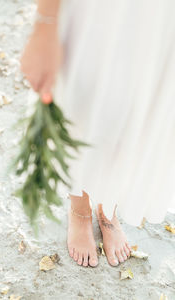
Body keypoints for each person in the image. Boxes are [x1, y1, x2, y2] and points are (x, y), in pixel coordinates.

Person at [21, 0, 175, 267]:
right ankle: (79, 208)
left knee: (136, 117)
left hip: (162, 23)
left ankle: (108, 206)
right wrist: (45, 23)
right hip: (97, 15)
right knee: (81, 110)